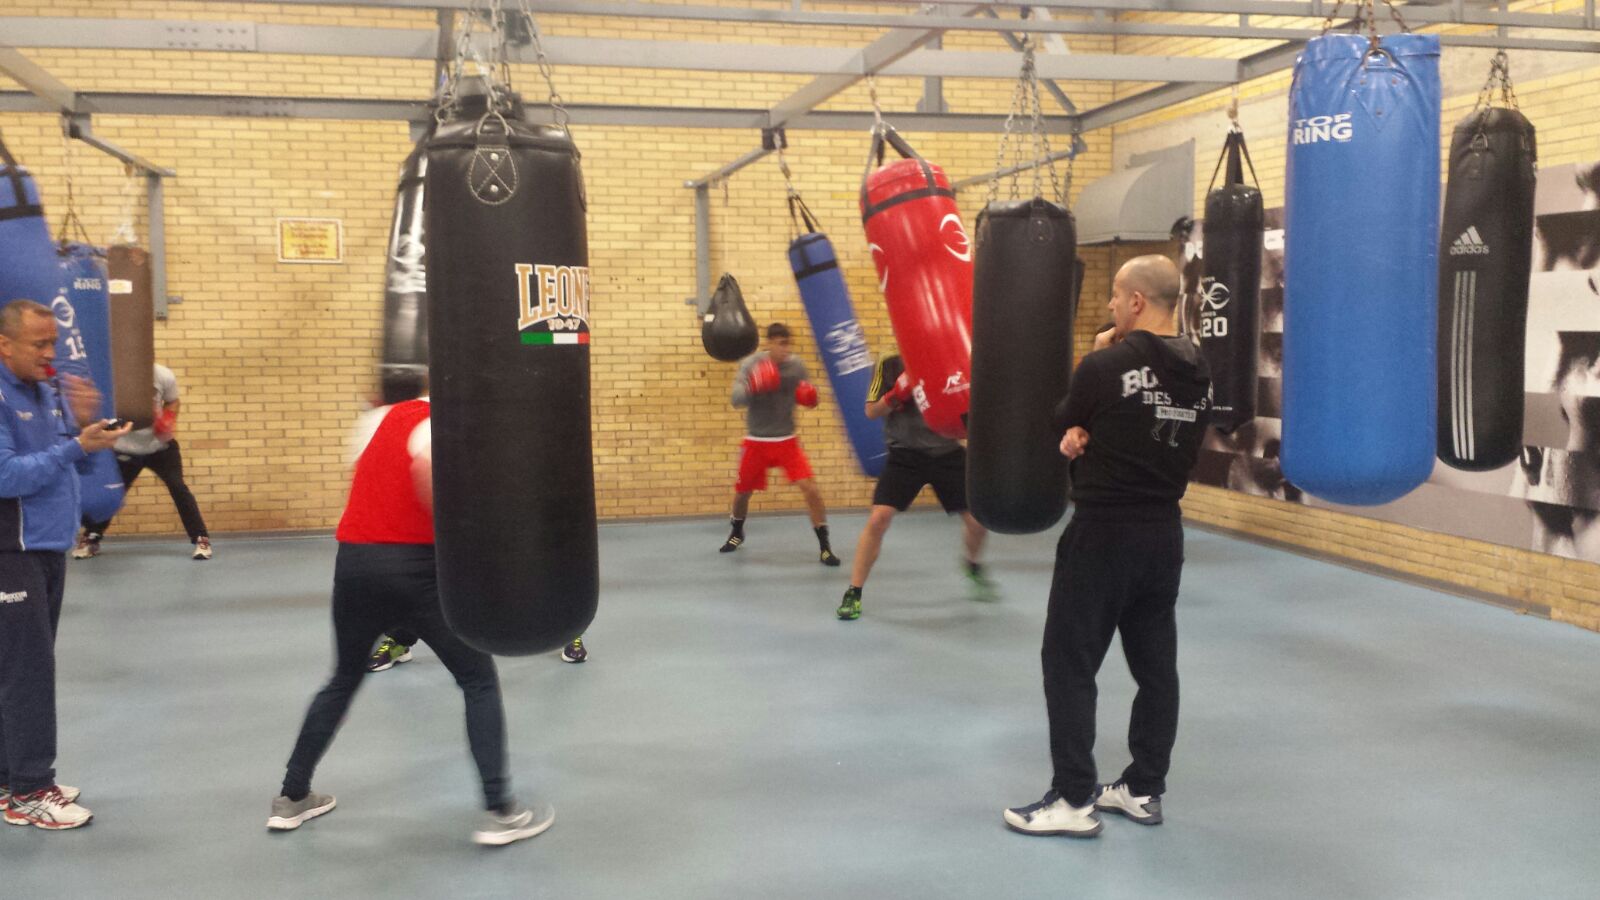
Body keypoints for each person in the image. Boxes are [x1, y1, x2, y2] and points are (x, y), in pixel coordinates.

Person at [270, 377, 552, 846]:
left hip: (355, 563)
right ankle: (500, 810)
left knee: (343, 677)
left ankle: (291, 797)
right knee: (477, 679)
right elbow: (426, 476)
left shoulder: (377, 421)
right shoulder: (436, 423)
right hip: (415, 567)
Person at [1004, 255, 1211, 839]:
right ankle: (1144, 787)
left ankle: (1073, 799)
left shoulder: (1105, 364)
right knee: (1155, 667)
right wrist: (1084, 431)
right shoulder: (1201, 369)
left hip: (1102, 534)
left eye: (1117, 298)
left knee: (1068, 662)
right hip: (1163, 537)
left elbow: (1063, 419)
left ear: (1138, 302)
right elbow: (1121, 425)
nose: (1112, 307)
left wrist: (1092, 370)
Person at [357, 372, 589, 672]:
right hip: (471, 507)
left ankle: (572, 631)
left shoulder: (529, 409)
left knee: (549, 564)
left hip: (526, 500)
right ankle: (400, 639)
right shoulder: (443, 410)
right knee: (431, 577)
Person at [0, 299, 129, 830]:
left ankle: (12, 777)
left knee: (19, 666)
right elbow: (7, 478)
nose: (50, 354)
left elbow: (75, 465)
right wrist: (74, 445)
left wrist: (84, 432)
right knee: (28, 671)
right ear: (4, 344)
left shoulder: (46, 393)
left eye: (53, 342)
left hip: (47, 549)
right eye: (39, 344)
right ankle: (31, 787)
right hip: (11, 553)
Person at [836, 353, 995, 620]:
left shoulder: (951, 356)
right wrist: (896, 394)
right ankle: (854, 591)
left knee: (978, 522)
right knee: (878, 519)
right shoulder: (888, 363)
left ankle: (973, 565)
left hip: (947, 452)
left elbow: (973, 408)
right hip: (905, 454)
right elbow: (871, 411)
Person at [719, 323, 839, 566]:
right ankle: (736, 532)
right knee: (742, 493)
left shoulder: (796, 366)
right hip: (756, 441)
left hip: (786, 441)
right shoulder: (751, 364)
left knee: (811, 490)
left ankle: (825, 546)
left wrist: (811, 397)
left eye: (788, 344)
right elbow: (735, 399)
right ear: (770, 343)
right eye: (781, 344)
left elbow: (809, 396)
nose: (786, 349)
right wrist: (755, 384)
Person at [70, 363, 212, 561]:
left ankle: (201, 539)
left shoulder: (162, 374)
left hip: (160, 447)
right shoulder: (112, 376)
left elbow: (173, 401)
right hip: (125, 448)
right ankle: (92, 538)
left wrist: (168, 420)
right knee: (113, 493)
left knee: (178, 487)